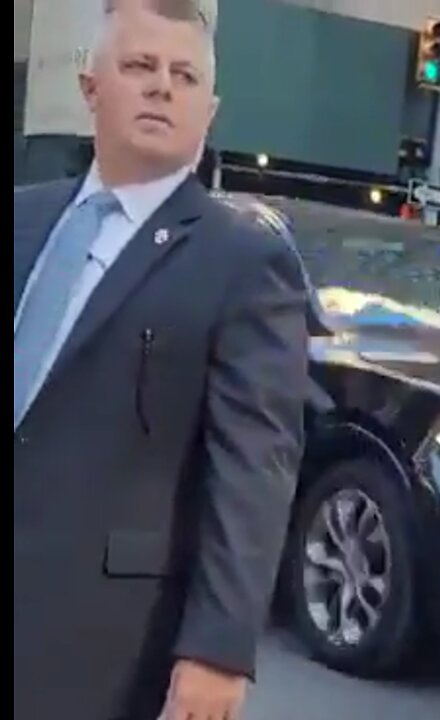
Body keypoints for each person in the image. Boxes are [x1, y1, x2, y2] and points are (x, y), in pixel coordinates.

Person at [13, 2, 310, 719]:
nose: (161, 87)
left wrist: (217, 649)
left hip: (102, 643)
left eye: (183, 76)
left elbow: (255, 461)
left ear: (209, 109)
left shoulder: (244, 258)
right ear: (91, 88)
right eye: (140, 66)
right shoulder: (24, 219)